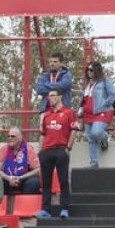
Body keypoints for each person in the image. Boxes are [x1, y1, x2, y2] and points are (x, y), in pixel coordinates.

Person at [36, 89, 77, 219]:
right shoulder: (45, 115)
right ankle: (45, 210)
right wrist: (40, 151)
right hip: (46, 151)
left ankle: (64, 208)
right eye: (49, 96)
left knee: (63, 181)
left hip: (61, 150)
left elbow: (74, 130)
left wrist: (68, 147)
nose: (50, 98)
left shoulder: (69, 113)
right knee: (46, 182)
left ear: (60, 97)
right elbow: (42, 134)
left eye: (53, 96)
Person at [81, 61, 115, 167]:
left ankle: (104, 140)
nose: (88, 72)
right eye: (87, 70)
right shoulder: (87, 84)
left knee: (96, 132)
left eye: (91, 70)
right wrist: (80, 110)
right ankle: (93, 162)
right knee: (90, 138)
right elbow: (84, 99)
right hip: (87, 114)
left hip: (101, 112)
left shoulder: (105, 81)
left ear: (97, 70)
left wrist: (104, 105)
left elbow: (112, 94)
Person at [0, 128, 42, 195]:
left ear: (20, 138)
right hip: (8, 179)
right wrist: (8, 178)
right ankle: (1, 205)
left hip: (24, 179)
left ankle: (26, 204)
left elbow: (37, 170)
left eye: (13, 136)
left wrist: (20, 177)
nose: (10, 138)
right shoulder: (4, 149)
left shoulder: (29, 149)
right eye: (8, 136)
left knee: (34, 182)